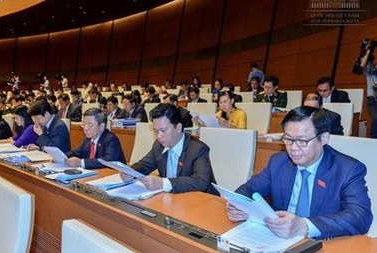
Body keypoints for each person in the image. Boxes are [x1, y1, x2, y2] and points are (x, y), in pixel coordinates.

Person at [226, 106, 372, 239]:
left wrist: (304, 226)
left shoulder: (348, 170)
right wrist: (237, 204)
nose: (293, 148)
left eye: (302, 141)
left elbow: (360, 216)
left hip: (323, 243)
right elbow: (249, 189)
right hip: (277, 240)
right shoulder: (278, 162)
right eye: (288, 139)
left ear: (324, 138)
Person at [122, 103, 218, 195]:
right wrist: (130, 172)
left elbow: (201, 181)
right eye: (156, 131)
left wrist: (164, 183)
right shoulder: (158, 145)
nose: (159, 136)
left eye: (163, 130)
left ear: (178, 128)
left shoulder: (198, 149)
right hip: (174, 200)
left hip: (201, 202)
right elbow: (144, 165)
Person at [360, 43, 377, 138]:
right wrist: (369, 51)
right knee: (376, 118)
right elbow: (362, 64)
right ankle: (373, 140)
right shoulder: (370, 71)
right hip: (373, 101)